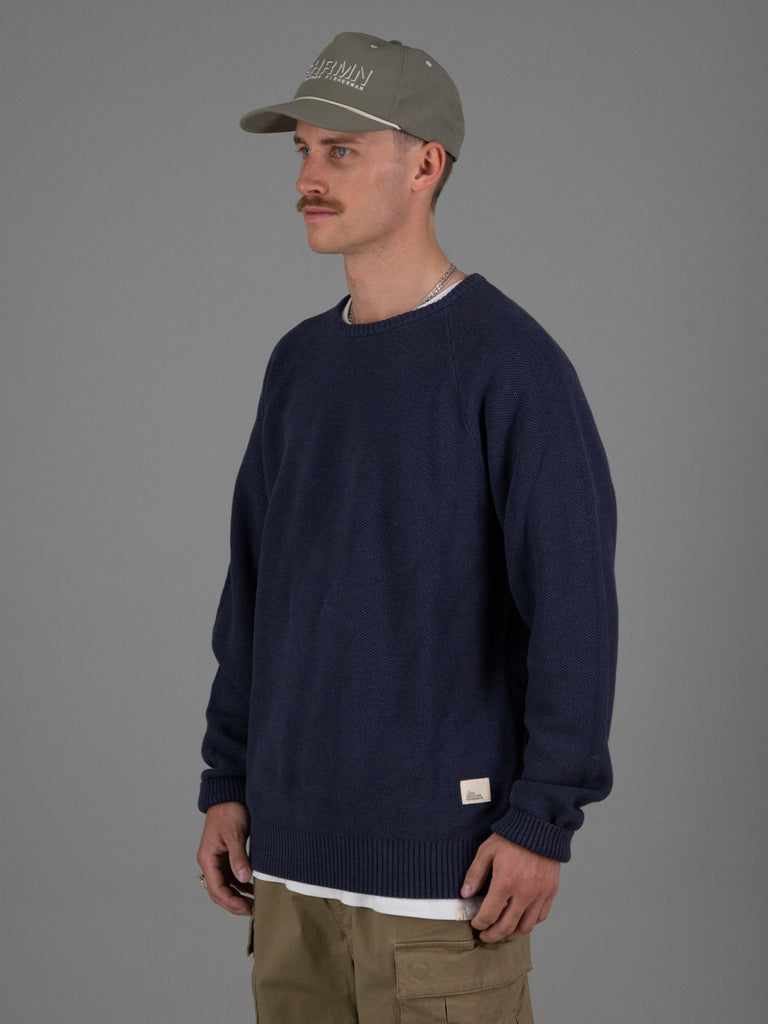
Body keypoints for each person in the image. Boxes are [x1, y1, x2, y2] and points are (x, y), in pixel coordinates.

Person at [196, 31, 617, 1024]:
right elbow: (255, 591)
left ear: (425, 164)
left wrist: (543, 817)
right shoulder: (299, 365)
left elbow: (573, 611)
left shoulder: (512, 365)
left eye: (341, 150)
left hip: (441, 877)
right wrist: (228, 777)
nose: (308, 177)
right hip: (288, 868)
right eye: (304, 149)